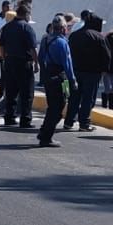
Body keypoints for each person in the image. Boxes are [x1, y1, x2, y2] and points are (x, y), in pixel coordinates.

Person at [34, 17, 76, 147]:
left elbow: (41, 58)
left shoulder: (46, 39)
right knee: (59, 106)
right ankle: (46, 136)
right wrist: (73, 80)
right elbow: (67, 64)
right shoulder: (62, 43)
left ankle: (44, 132)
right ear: (63, 29)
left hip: (48, 75)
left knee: (53, 105)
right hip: (60, 77)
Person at [0, 2, 39, 128]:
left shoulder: (7, 27)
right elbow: (32, 48)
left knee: (10, 92)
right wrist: (36, 63)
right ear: (26, 14)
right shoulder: (26, 28)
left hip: (10, 62)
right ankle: (25, 119)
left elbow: (2, 45)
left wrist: (5, 59)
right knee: (26, 93)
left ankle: (9, 117)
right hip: (23, 63)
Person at [68, 14, 110, 132]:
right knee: (88, 98)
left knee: (74, 97)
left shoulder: (74, 35)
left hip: (75, 71)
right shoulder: (99, 37)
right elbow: (106, 56)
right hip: (92, 73)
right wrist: (104, 70)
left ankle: (69, 121)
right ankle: (84, 123)